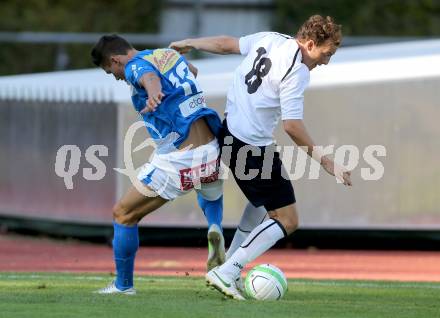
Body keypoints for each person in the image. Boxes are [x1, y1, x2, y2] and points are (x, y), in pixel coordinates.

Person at [170, 15, 352, 300]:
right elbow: (292, 125)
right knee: (288, 220)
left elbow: (225, 43)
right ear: (311, 43)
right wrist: (326, 161)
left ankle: (227, 261)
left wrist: (189, 42)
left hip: (229, 134)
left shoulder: (271, 38)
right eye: (325, 54)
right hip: (251, 148)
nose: (325, 62)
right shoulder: (298, 69)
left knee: (263, 205)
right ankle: (227, 271)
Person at [90, 34, 226, 294]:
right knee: (206, 188)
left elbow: (148, 78)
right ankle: (215, 226)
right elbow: (192, 70)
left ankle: (123, 286)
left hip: (178, 158)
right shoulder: (166, 54)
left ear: (115, 60)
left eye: (111, 71)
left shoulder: (133, 66)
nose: (117, 77)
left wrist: (153, 94)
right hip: (211, 149)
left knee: (123, 214)